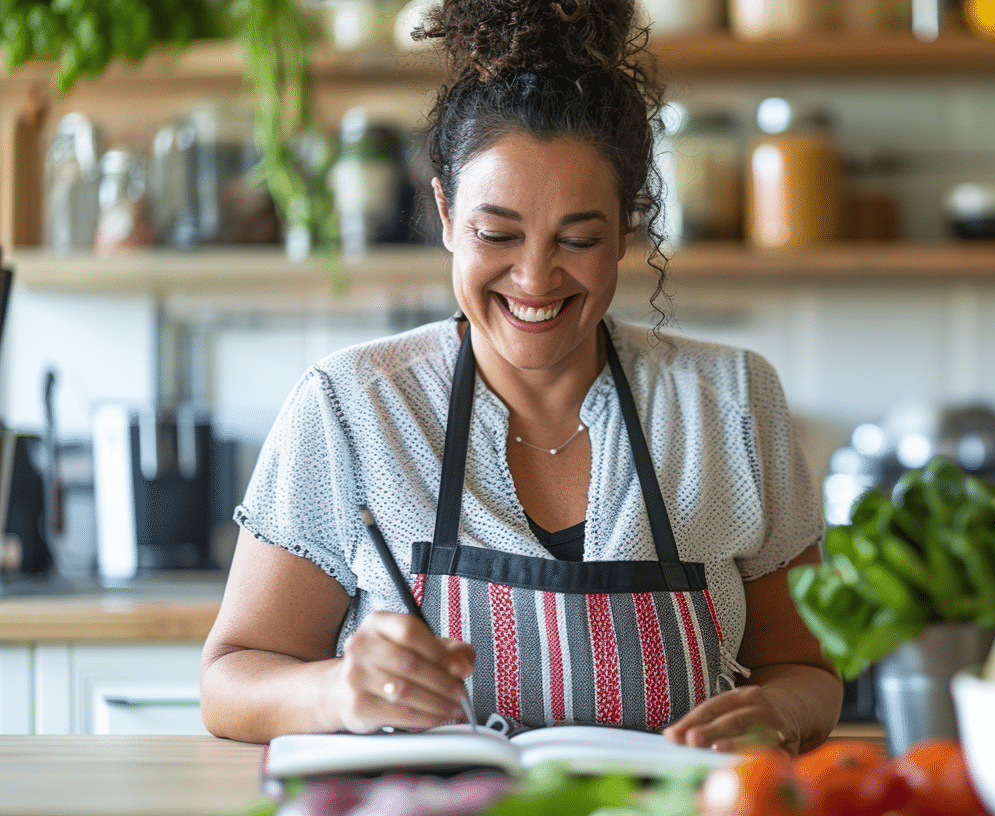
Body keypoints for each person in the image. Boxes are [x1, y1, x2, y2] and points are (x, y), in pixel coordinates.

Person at [199, 0, 842, 755]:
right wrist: (337, 690)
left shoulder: (730, 404)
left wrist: (779, 712)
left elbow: (804, 670)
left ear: (626, 227)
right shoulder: (354, 408)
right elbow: (229, 681)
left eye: (579, 238)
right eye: (496, 234)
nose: (535, 277)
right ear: (444, 212)